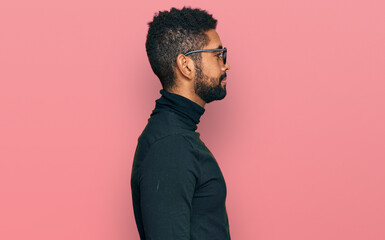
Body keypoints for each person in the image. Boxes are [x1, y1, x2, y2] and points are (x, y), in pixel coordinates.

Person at [131, 7, 231, 240]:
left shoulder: (177, 137)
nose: (225, 65)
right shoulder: (170, 146)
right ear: (186, 65)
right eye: (217, 54)